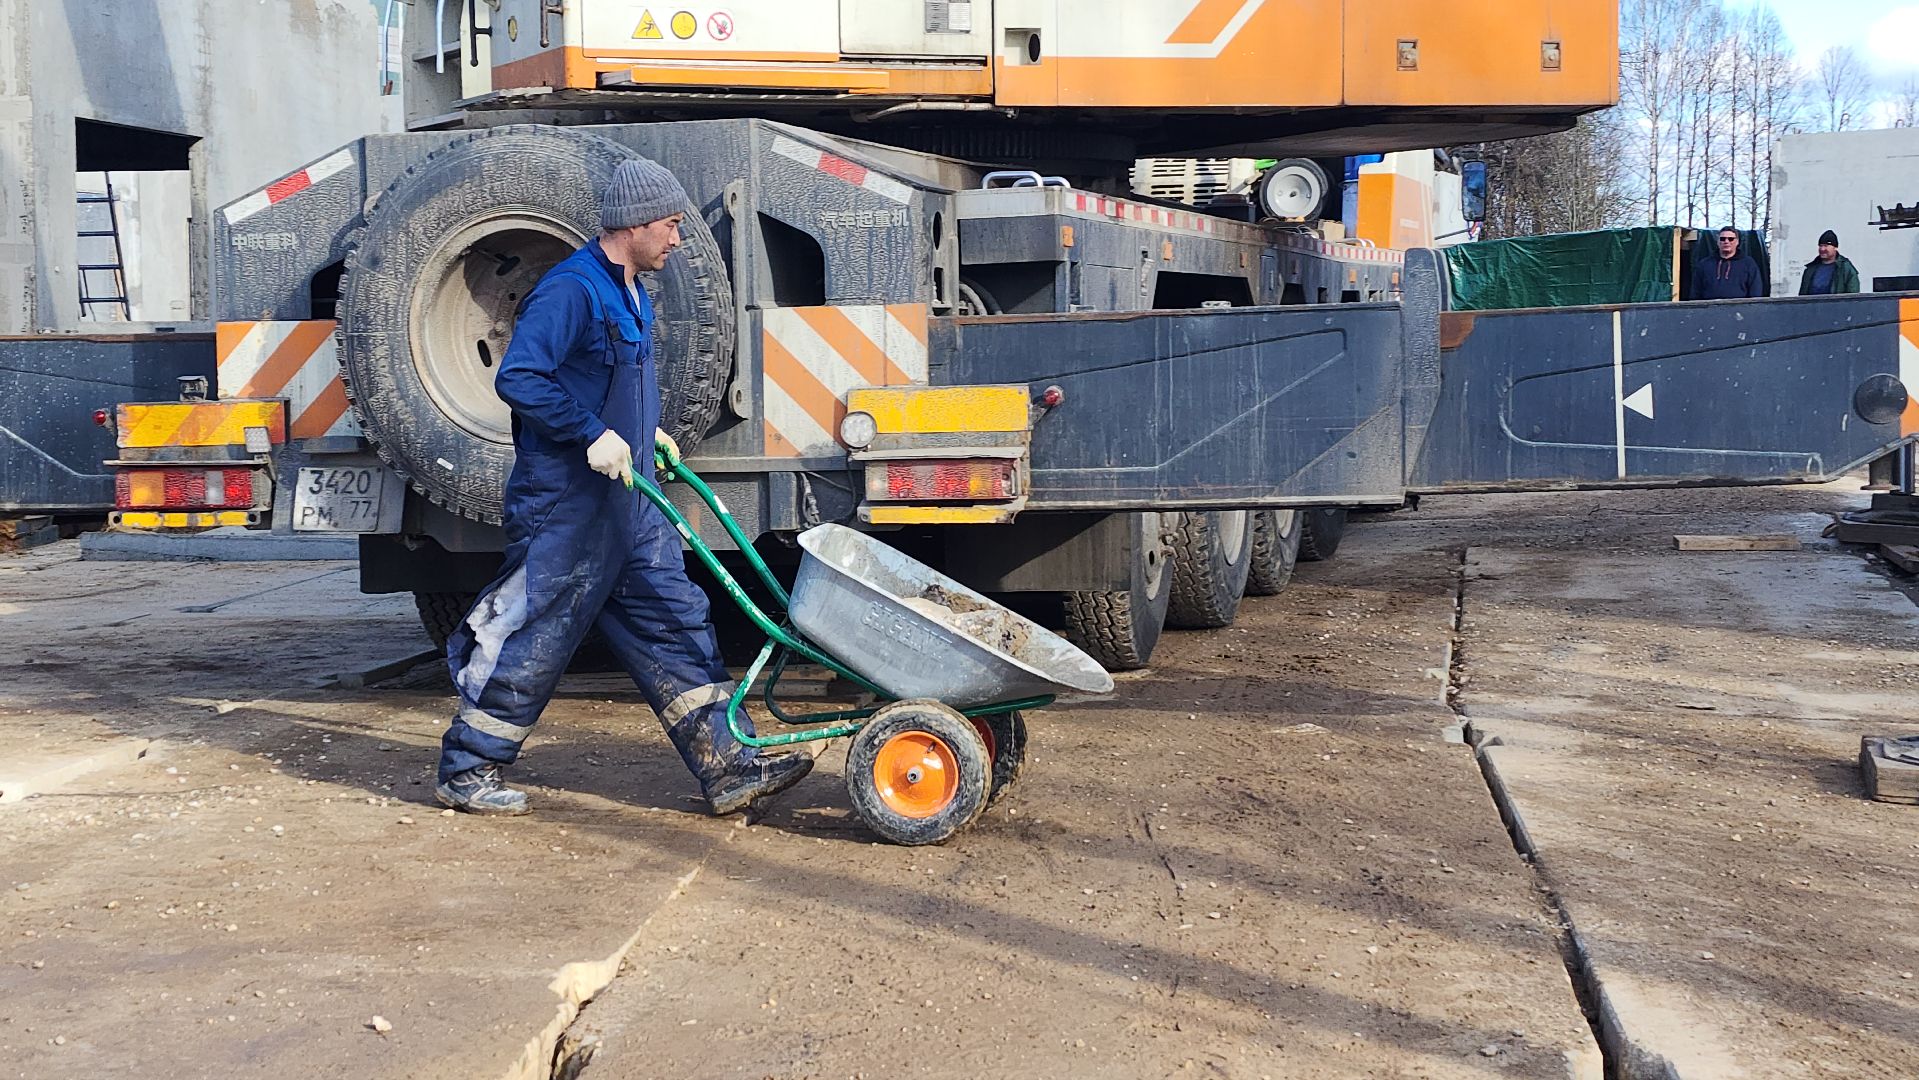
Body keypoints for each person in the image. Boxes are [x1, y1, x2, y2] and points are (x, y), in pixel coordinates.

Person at [434, 159, 812, 817]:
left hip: (629, 503)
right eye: (670, 225)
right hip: (568, 507)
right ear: (634, 225)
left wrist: (645, 431)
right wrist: (589, 433)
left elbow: (607, 379)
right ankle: (466, 770)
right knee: (537, 633)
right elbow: (520, 377)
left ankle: (728, 765)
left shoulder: (632, 289)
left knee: (675, 617)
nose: (677, 240)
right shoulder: (570, 290)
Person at [1691, 227, 1765, 300]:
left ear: (1737, 242)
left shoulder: (1748, 264)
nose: (1726, 241)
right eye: (1722, 239)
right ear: (1718, 242)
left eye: (1731, 239)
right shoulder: (1704, 264)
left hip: (1739, 307)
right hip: (1709, 306)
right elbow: (1695, 291)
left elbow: (1756, 290)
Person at [1798, 230, 1862, 296]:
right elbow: (1802, 296)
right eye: (1820, 246)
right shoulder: (1810, 269)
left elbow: (1853, 297)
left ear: (1835, 247)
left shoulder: (1846, 269)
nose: (1822, 249)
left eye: (1826, 246)